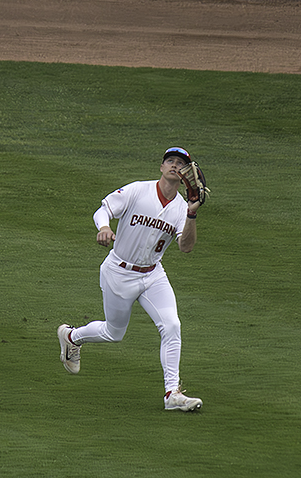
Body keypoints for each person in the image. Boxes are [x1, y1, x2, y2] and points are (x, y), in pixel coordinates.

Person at [57, 147, 204, 412]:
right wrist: (104, 227)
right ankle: (72, 337)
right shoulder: (138, 190)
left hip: (153, 275)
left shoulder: (182, 208)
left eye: (180, 164)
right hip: (119, 272)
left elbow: (186, 247)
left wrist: (193, 213)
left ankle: (172, 393)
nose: (174, 165)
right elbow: (103, 210)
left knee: (172, 325)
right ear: (161, 167)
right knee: (114, 333)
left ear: (185, 175)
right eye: (170, 161)